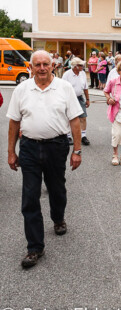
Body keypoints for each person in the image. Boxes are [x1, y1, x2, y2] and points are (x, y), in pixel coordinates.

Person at [7, 50, 83, 268]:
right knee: (29, 197)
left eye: (45, 64)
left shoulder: (64, 88)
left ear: (53, 66)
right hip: (29, 147)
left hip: (56, 146)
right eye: (37, 64)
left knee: (57, 189)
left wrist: (77, 151)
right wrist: (11, 152)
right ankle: (34, 247)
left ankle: (58, 218)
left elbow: (75, 120)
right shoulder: (22, 89)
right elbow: (13, 122)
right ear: (30, 67)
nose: (41, 68)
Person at [62, 57, 90, 146]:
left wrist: (87, 99)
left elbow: (85, 87)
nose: (82, 66)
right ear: (75, 66)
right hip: (68, 98)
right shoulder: (66, 75)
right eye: (81, 65)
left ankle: (83, 136)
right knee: (69, 117)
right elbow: (62, 88)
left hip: (79, 97)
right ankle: (68, 135)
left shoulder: (83, 74)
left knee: (83, 117)